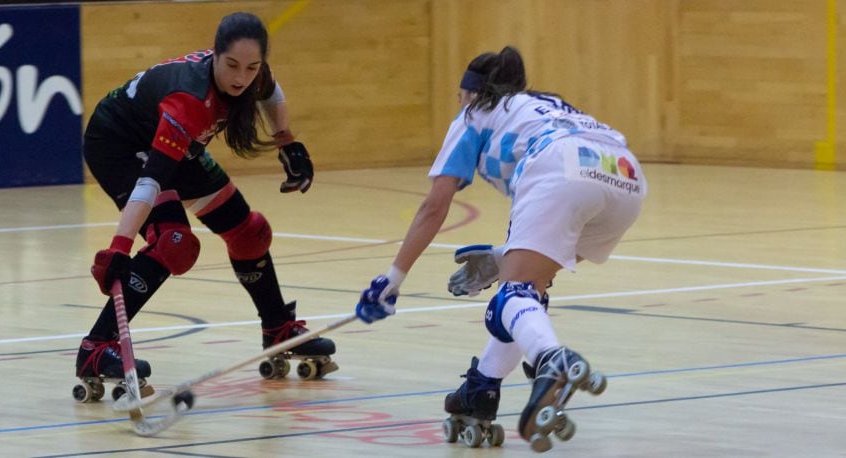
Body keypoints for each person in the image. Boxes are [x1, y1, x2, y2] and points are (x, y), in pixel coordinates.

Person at [354, 46, 646, 451]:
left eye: (459, 98)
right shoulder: (544, 103)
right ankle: (483, 387)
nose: (458, 106)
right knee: (528, 297)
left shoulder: (474, 113)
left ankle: (551, 358)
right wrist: (499, 258)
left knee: (513, 297)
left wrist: (394, 277)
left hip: (559, 165)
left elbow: (434, 206)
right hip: (626, 174)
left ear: (471, 93)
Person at [74, 12, 335, 401]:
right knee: (173, 242)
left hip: (178, 148)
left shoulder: (250, 74)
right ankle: (95, 348)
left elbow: (270, 91)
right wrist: (119, 247)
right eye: (231, 65)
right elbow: (151, 181)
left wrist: (287, 140)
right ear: (214, 56)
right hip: (118, 144)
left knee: (250, 234)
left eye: (251, 67)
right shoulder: (189, 102)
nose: (240, 77)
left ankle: (277, 328)